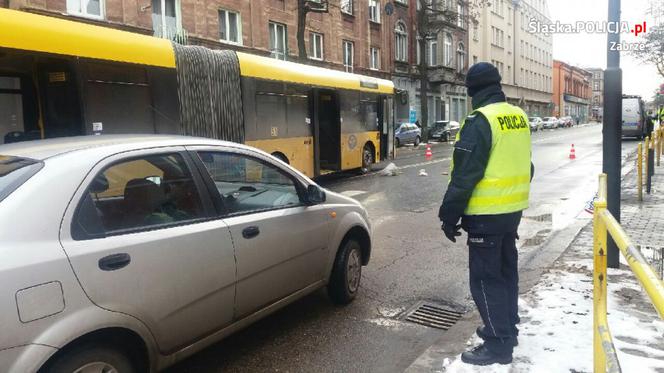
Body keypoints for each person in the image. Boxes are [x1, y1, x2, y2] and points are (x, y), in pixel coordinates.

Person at [438, 62, 534, 366]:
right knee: (506, 274)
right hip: (511, 212)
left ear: (472, 91)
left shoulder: (480, 121)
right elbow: (527, 166)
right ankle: (507, 329)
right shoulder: (517, 116)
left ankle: (497, 344)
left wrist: (448, 216)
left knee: (484, 280)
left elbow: (465, 176)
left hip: (486, 216)